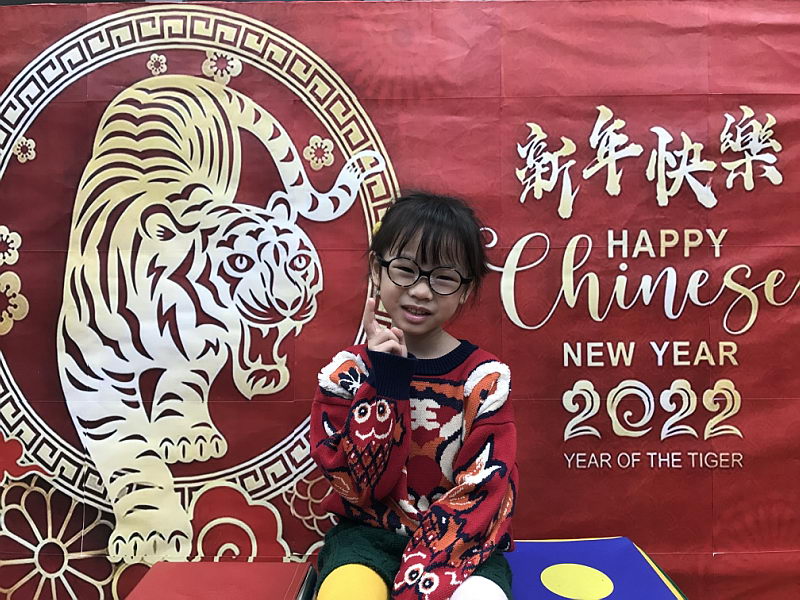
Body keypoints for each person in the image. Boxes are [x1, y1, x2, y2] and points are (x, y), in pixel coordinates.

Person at [310, 192, 518, 600]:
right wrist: (385, 382)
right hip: (366, 538)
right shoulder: (346, 375)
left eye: (444, 277)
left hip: (463, 543)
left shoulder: (485, 380)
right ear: (377, 270)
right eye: (405, 270)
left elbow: (486, 489)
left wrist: (422, 576)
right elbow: (361, 487)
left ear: (466, 289)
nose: (422, 291)